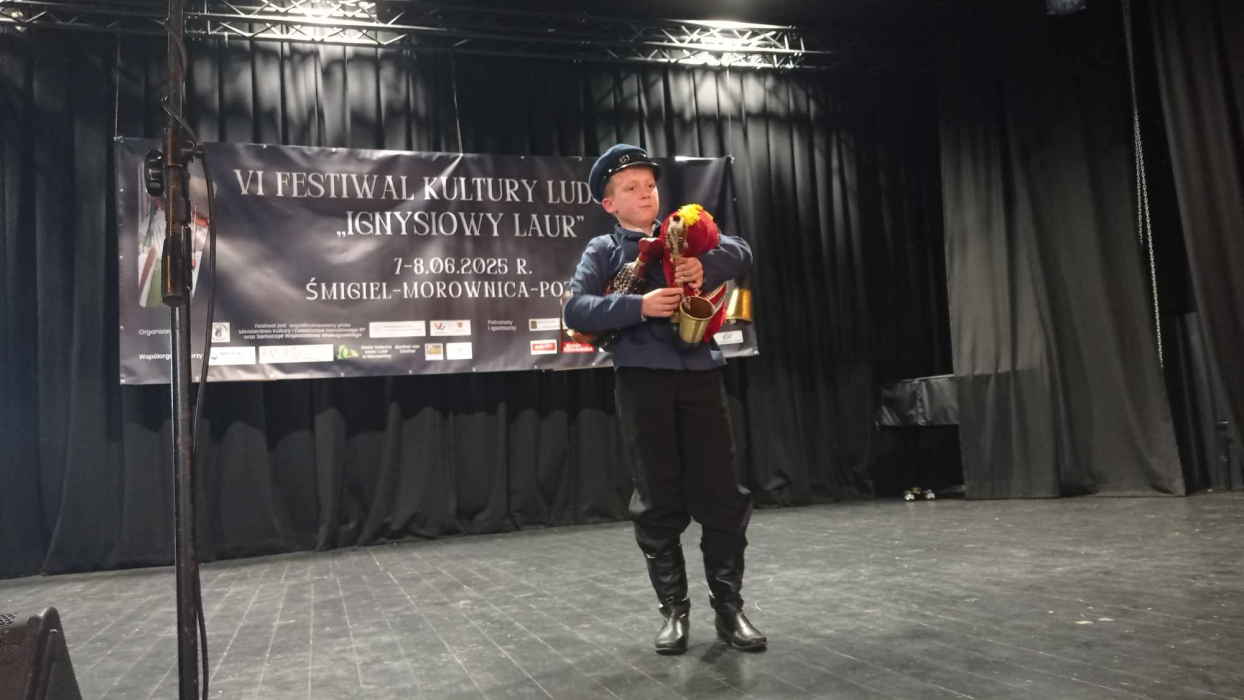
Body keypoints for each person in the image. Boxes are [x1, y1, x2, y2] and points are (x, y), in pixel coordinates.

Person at [563, 143, 766, 654]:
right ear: (609, 203)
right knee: (657, 498)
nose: (644, 193)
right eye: (630, 187)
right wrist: (641, 305)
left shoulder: (682, 232)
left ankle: (730, 608)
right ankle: (674, 611)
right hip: (642, 381)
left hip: (700, 376)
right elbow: (576, 310)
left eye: (649, 185)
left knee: (722, 495)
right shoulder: (604, 250)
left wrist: (703, 265)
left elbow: (740, 249)